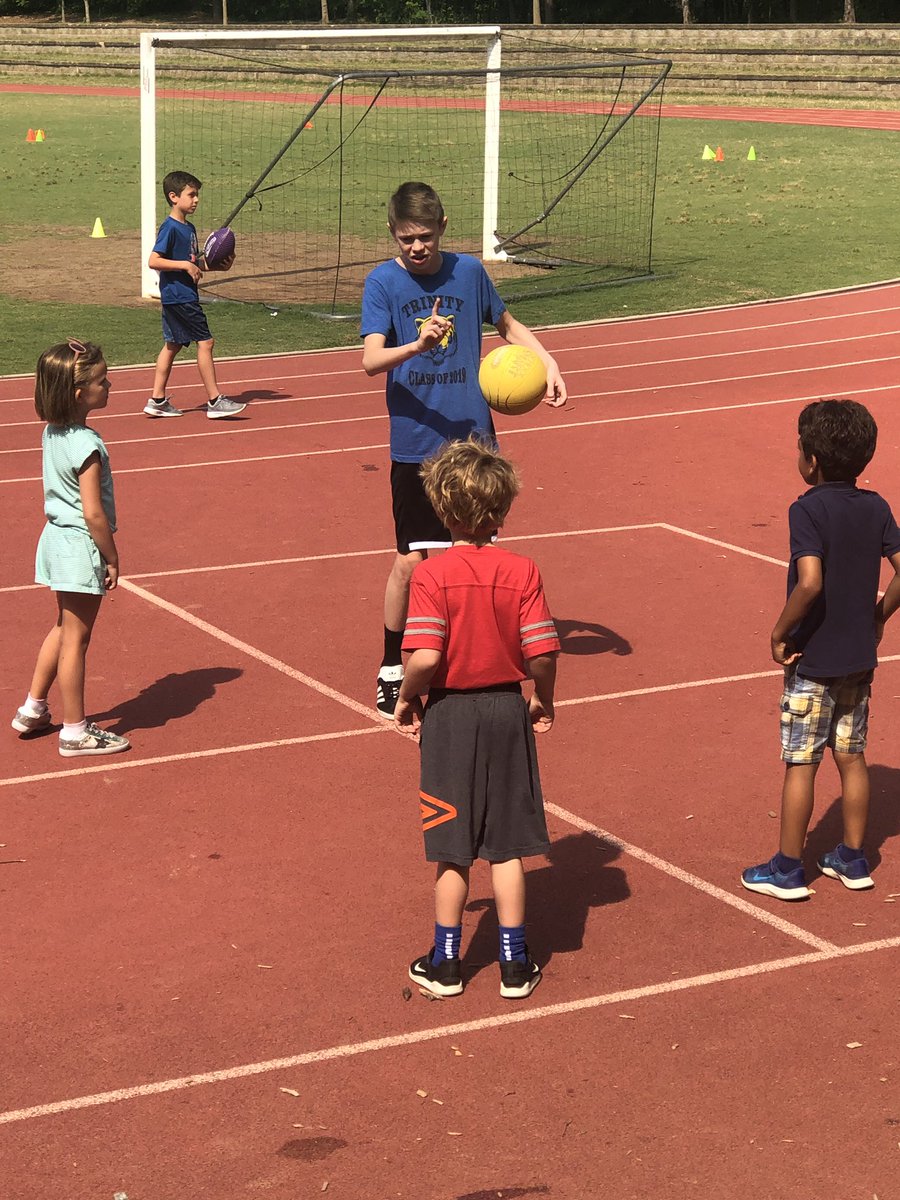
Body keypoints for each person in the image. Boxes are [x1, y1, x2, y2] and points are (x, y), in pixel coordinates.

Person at [361, 180, 567, 718]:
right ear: (392, 233)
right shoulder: (383, 282)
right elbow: (370, 360)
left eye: (425, 237)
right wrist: (418, 344)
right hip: (416, 446)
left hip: (474, 445)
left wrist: (548, 364)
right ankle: (390, 665)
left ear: (443, 227)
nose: (417, 248)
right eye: (406, 238)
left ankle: (466, 658)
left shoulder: (470, 273)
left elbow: (507, 324)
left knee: (470, 557)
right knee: (411, 563)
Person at [394, 437, 560, 1000]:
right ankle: (515, 963)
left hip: (450, 717)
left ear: (442, 510)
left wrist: (406, 696)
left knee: (451, 847)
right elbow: (542, 652)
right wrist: (542, 698)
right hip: (504, 710)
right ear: (503, 509)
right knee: (507, 845)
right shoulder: (522, 570)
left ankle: (446, 962)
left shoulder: (432, 575)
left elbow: (427, 656)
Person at [742, 398, 900, 901]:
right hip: (859, 658)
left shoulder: (806, 509)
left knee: (801, 762)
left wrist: (778, 632)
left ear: (811, 460)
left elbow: (809, 582)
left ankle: (788, 868)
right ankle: (853, 858)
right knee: (853, 757)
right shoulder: (876, 506)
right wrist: (879, 615)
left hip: (813, 661)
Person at [11, 340, 131, 757]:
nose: (110, 384)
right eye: (103, 380)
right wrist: (112, 556)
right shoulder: (86, 445)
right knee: (77, 639)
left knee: (63, 627)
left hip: (55, 540)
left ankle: (32, 707)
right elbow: (94, 514)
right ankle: (75, 731)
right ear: (81, 394)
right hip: (80, 545)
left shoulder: (52, 433)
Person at [145, 169, 247, 420]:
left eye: (197, 194)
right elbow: (154, 260)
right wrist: (185, 266)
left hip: (179, 295)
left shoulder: (188, 228)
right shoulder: (169, 228)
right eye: (191, 195)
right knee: (206, 342)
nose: (196, 200)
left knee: (172, 345)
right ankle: (214, 400)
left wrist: (216, 267)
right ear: (173, 197)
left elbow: (192, 263)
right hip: (180, 296)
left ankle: (157, 399)